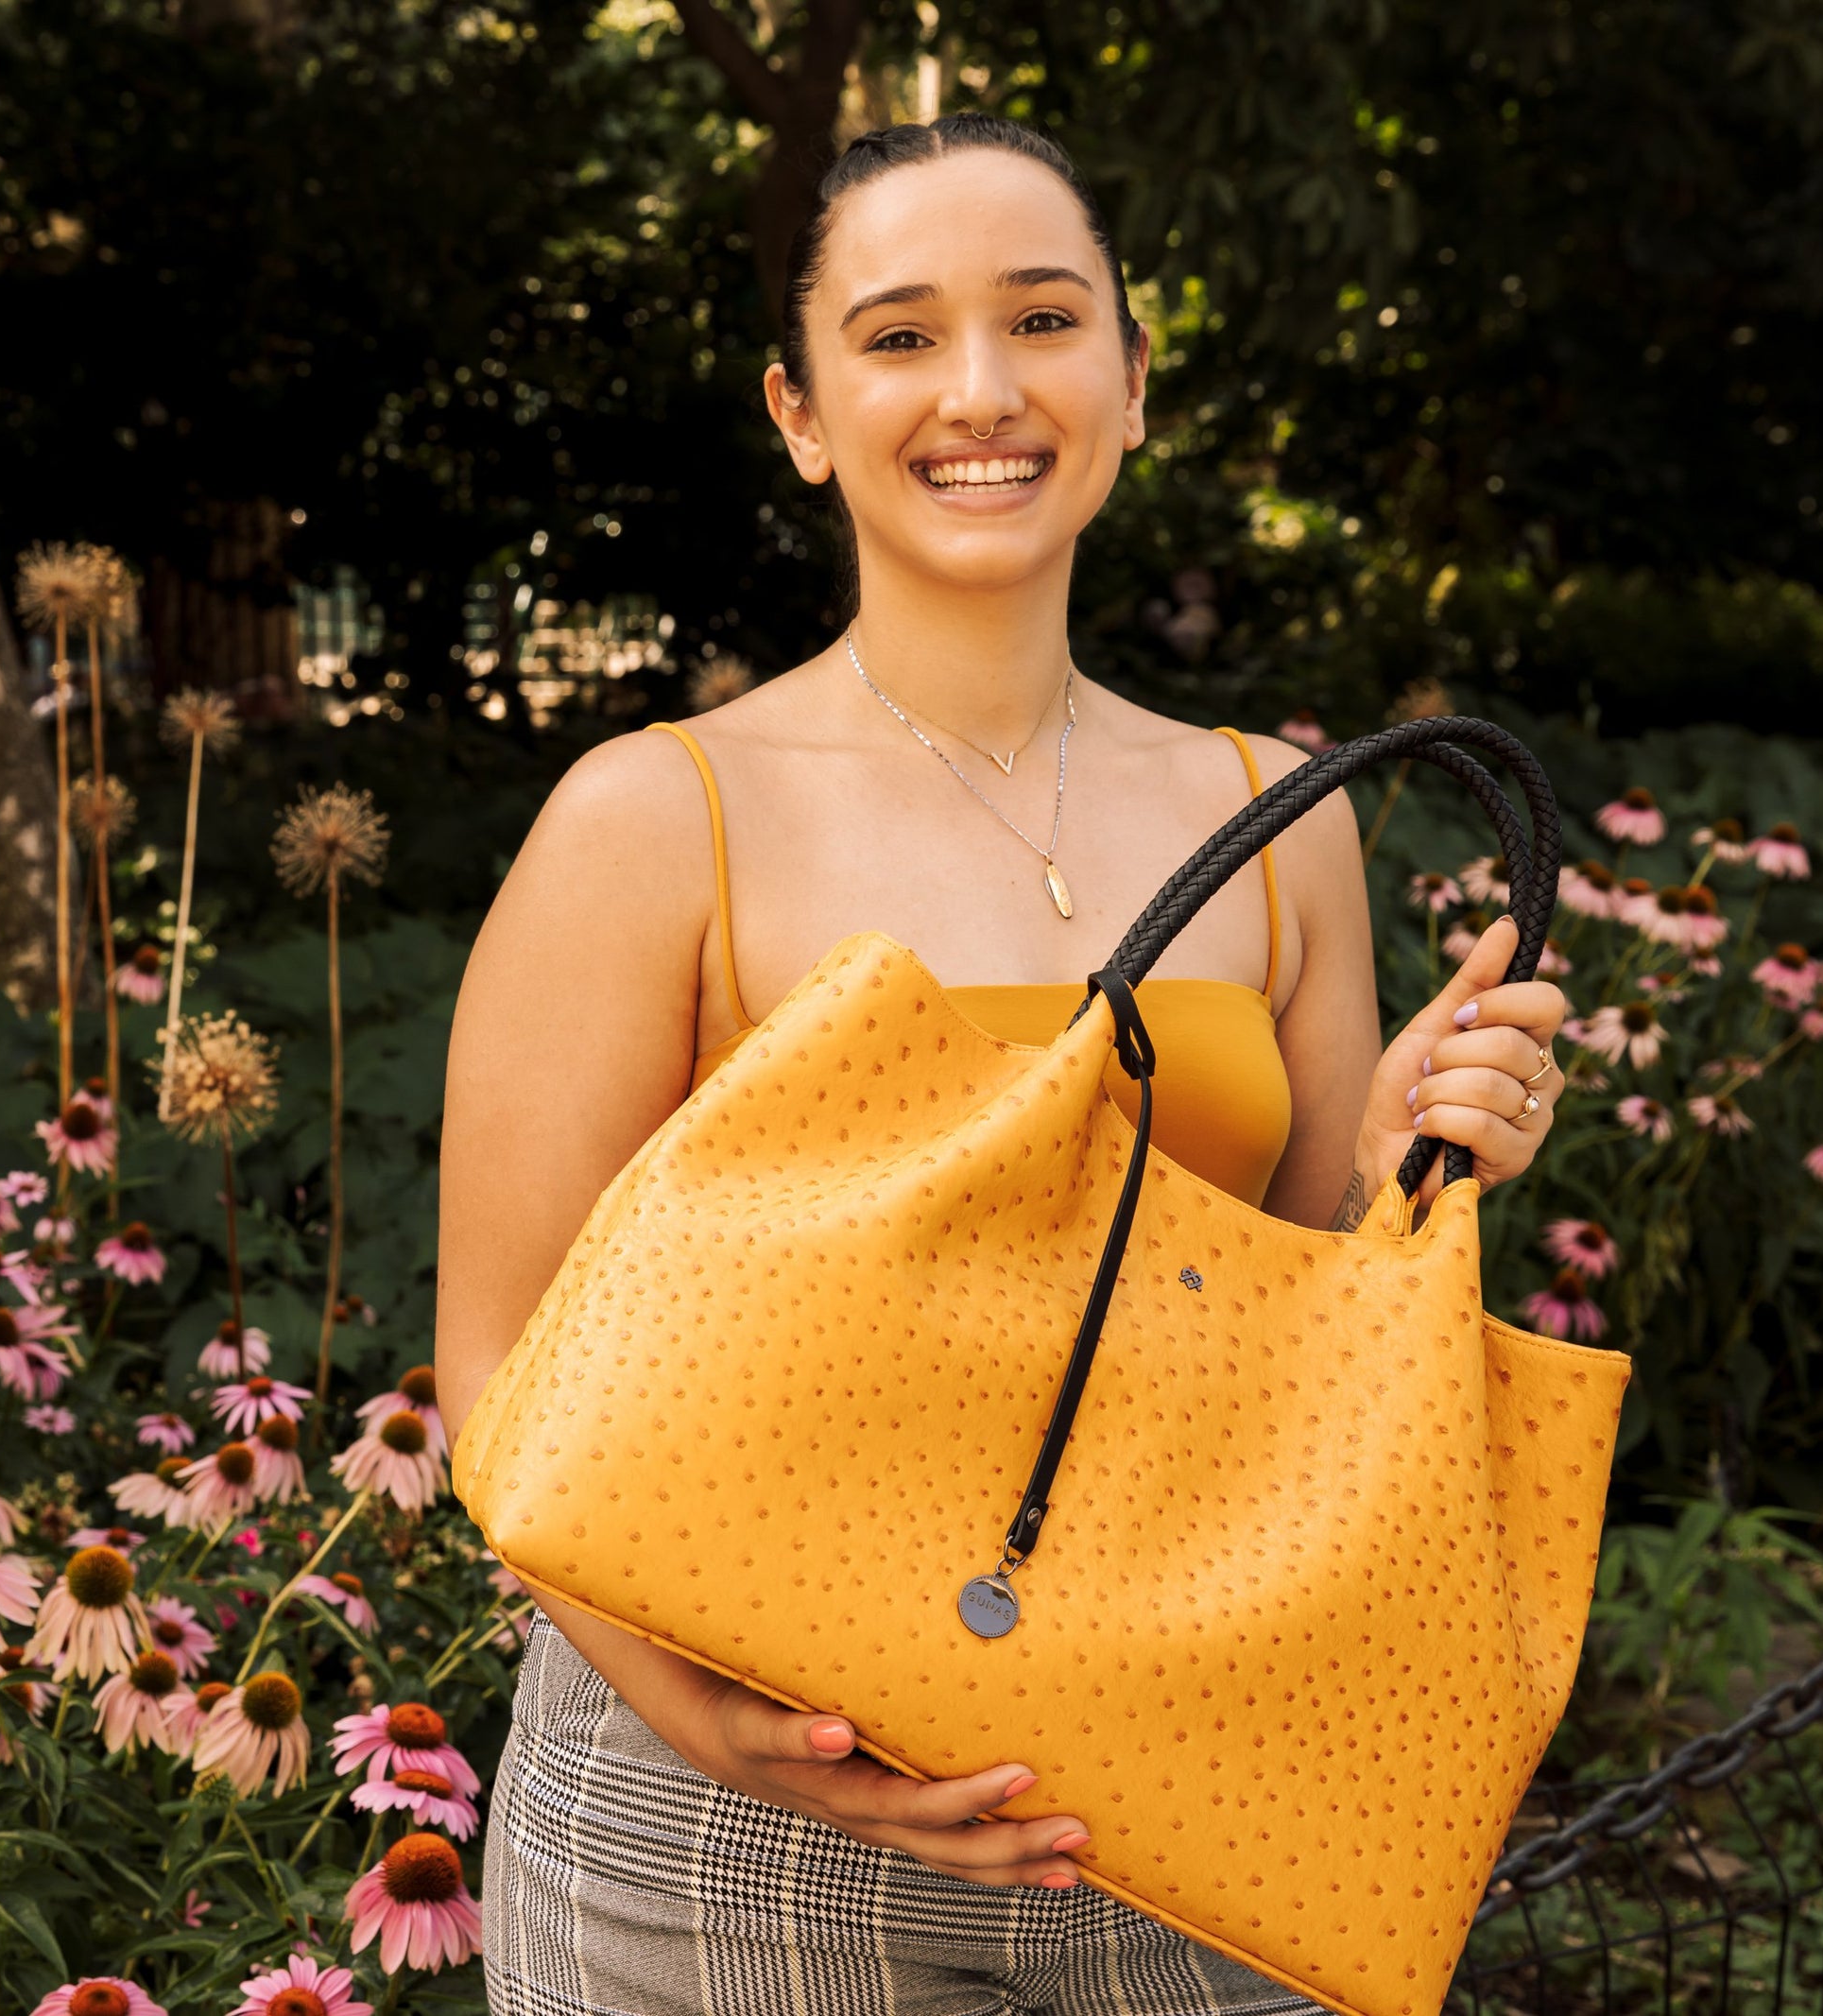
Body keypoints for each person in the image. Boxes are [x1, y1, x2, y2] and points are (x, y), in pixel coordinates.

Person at [436, 114, 1570, 2016]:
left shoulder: (1269, 815)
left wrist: (1396, 1163)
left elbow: (1285, 1348)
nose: (981, 389)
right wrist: (717, 1728)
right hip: (736, 1833)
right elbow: (496, 1359)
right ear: (799, 413)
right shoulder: (654, 819)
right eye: (897, 336)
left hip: (1198, 1791)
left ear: (1130, 380)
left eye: (1043, 318)